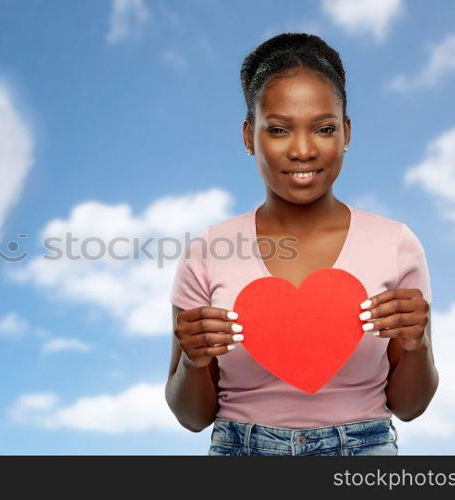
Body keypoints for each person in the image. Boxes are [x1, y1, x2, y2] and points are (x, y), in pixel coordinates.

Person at [165, 33, 437, 456]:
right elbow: (191, 417)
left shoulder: (396, 244)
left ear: (346, 132)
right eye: (278, 130)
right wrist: (192, 360)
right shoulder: (208, 250)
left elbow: (410, 407)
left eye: (324, 128)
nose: (303, 150)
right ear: (248, 136)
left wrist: (417, 345)